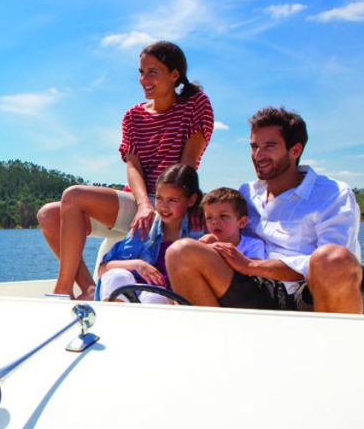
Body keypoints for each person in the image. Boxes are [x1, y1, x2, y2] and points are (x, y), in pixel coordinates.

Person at [38, 41, 214, 299]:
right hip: (138, 201)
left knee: (73, 195)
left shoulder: (195, 104)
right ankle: (85, 288)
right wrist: (143, 204)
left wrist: (165, 204)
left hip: (170, 200)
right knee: (49, 215)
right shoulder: (133, 116)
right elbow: (132, 166)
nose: (144, 79)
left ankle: (61, 293)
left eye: (152, 71)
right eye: (141, 72)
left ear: (174, 75)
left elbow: (187, 165)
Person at [166, 107, 364, 314]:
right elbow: (236, 240)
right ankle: (216, 342)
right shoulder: (247, 192)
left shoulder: (333, 194)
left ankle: (332, 342)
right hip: (258, 289)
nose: (258, 155)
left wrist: (252, 266)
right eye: (254, 147)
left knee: (333, 258)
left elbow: (333, 266)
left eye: (269, 146)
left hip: (309, 293)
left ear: (295, 150)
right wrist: (214, 244)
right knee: (181, 252)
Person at [96, 164, 204, 303]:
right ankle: (114, 320)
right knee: (116, 276)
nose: (163, 206)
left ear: (191, 200)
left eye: (172, 200)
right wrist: (138, 264)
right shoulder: (145, 226)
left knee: (153, 297)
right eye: (159, 198)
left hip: (170, 301)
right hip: (134, 294)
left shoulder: (200, 229)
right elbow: (103, 269)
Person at [199, 187, 265, 259]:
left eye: (223, 216)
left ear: (242, 222)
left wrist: (218, 249)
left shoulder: (253, 245)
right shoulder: (204, 244)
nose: (214, 222)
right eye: (209, 217)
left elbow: (253, 267)